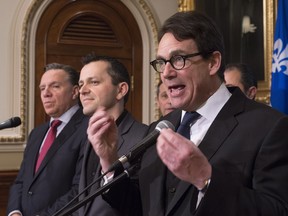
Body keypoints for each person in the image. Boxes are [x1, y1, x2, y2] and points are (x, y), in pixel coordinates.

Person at [86, 11, 288, 216]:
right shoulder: (161, 128)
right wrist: (109, 160)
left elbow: (277, 210)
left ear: (213, 63)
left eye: (179, 59)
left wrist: (205, 179)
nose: (166, 73)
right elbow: (141, 206)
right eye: (162, 62)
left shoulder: (269, 127)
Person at [7, 63, 88, 216]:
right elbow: (21, 181)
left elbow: (81, 189)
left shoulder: (88, 129)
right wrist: (14, 212)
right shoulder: (37, 133)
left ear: (75, 92)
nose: (46, 94)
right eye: (42, 88)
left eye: (55, 86)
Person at [75, 54, 148, 216]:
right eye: (81, 84)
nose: (83, 90)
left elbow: (141, 205)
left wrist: (110, 162)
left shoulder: (144, 137)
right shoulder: (89, 136)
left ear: (121, 90)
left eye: (94, 82)